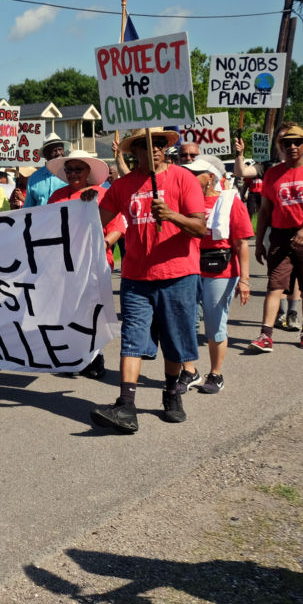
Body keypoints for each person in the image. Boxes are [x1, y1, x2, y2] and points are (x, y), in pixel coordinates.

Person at [89, 127, 207, 434]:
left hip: (178, 274)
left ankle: (171, 395)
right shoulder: (124, 185)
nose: (154, 150)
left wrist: (172, 216)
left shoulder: (184, 179)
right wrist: (88, 201)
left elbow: (200, 228)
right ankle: (126, 405)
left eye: (160, 145)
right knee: (132, 338)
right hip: (136, 276)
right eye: (146, 145)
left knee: (173, 339)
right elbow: (94, 221)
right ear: (134, 152)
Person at [249, 122, 303, 352]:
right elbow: (265, 210)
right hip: (280, 236)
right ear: (281, 147)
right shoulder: (273, 174)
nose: (292, 146)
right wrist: (258, 242)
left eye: (297, 142)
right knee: (275, 285)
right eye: (287, 143)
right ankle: (265, 335)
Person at [45, 149, 127, 381]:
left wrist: (102, 246)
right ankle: (72, 357)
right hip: (64, 264)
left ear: (88, 171)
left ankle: (94, 357)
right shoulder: (57, 196)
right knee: (68, 311)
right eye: (69, 170)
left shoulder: (102, 194)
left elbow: (118, 227)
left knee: (92, 311)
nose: (72, 174)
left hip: (94, 262)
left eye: (77, 169)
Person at [178, 155, 253, 394]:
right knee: (184, 321)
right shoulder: (183, 202)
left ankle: (215, 373)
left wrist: (245, 280)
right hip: (188, 267)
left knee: (214, 324)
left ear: (210, 177)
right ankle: (189, 371)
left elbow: (241, 244)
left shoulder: (229, 201)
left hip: (220, 269)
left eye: (195, 173)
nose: (188, 177)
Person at [23, 135, 69, 207]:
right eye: (54, 150)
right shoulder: (34, 178)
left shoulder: (72, 174)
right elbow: (28, 208)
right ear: (45, 154)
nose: (58, 153)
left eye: (60, 149)